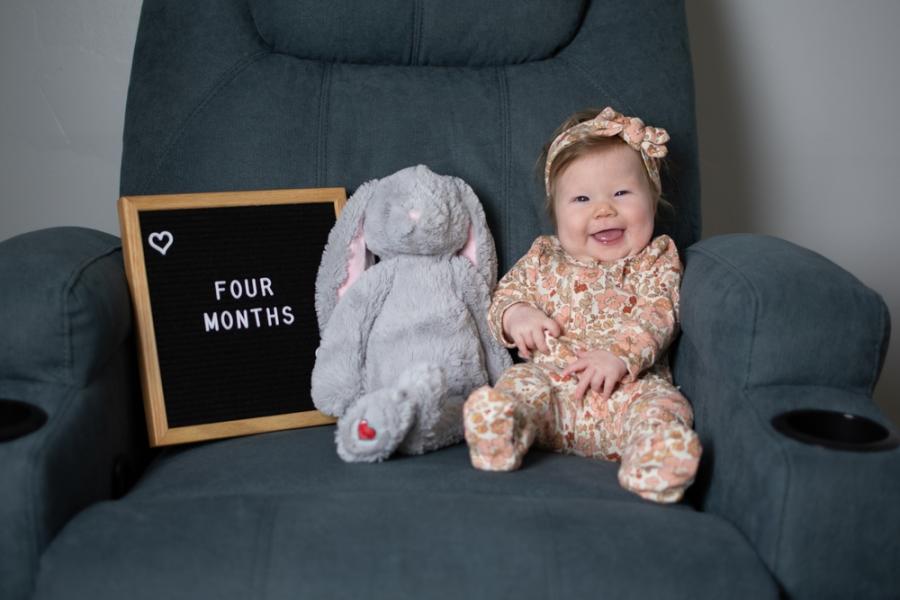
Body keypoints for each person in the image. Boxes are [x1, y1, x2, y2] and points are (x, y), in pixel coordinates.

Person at [463, 106, 702, 503]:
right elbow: (506, 293)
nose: (603, 210)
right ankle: (501, 432)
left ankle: (654, 457)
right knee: (519, 386)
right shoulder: (543, 257)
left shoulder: (656, 258)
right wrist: (516, 315)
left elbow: (661, 313)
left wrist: (620, 356)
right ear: (555, 213)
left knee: (665, 406)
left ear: (654, 197)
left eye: (622, 193)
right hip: (554, 393)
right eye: (581, 198)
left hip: (626, 390)